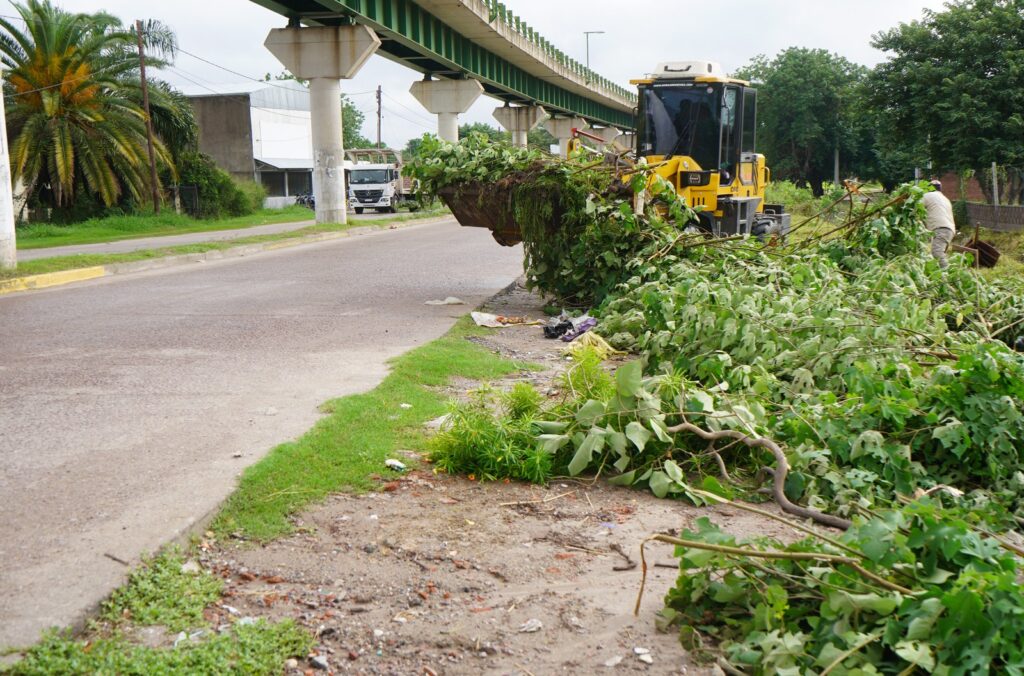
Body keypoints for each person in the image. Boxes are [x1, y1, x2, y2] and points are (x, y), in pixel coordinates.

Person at [922, 179, 956, 269]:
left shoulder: (927, 196)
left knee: (937, 253)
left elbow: (916, 207)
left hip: (941, 228)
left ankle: (948, 276)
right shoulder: (945, 199)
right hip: (950, 230)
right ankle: (941, 276)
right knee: (940, 255)